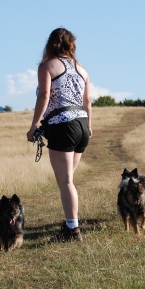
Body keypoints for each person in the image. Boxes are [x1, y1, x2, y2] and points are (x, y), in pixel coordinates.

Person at [26, 27, 92, 242]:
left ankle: (73, 231)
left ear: (51, 44)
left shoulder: (47, 66)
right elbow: (87, 102)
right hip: (82, 124)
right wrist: (89, 126)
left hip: (62, 123)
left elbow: (44, 94)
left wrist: (35, 124)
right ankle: (69, 224)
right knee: (68, 180)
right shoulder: (82, 69)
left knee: (65, 182)